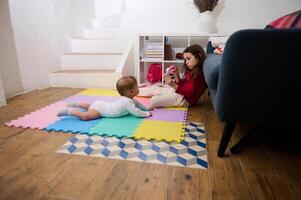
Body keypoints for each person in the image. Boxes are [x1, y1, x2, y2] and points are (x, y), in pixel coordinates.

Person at [138, 44, 207, 108]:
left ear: (199, 56)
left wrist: (172, 84)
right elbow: (183, 86)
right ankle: (134, 91)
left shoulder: (199, 74)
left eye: (188, 59)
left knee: (153, 100)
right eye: (185, 60)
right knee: (155, 89)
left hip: (184, 100)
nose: (186, 62)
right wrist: (176, 75)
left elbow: (188, 93)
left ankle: (162, 96)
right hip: (180, 93)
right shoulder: (192, 70)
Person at [57, 76, 152, 120]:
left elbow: (138, 105)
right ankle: (70, 111)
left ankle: (77, 104)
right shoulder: (128, 103)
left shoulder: (130, 100)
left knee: (90, 106)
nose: (138, 88)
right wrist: (146, 113)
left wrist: (147, 107)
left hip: (101, 104)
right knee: (85, 116)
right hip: (101, 111)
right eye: (137, 87)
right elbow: (136, 112)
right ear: (131, 91)